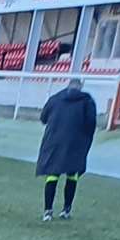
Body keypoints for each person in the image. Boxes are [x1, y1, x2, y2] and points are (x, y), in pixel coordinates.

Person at [37, 78, 96, 221]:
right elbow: (91, 123)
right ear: (80, 87)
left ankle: (47, 211)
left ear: (67, 87)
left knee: (52, 175)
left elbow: (43, 118)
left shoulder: (54, 99)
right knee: (72, 176)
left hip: (54, 142)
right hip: (75, 144)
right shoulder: (87, 101)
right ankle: (66, 210)